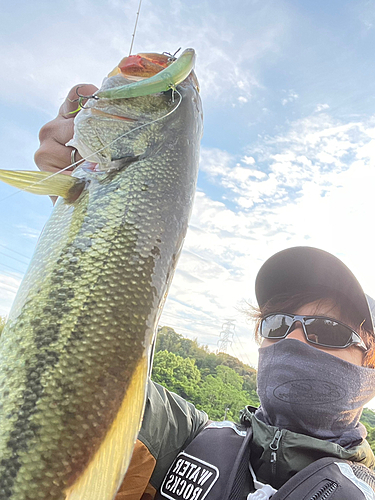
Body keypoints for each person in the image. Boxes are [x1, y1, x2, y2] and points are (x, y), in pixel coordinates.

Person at [34, 85, 375, 500]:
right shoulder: (189, 436)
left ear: (369, 364)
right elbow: (84, 376)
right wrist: (92, 218)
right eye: (277, 323)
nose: (293, 338)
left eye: (326, 330)